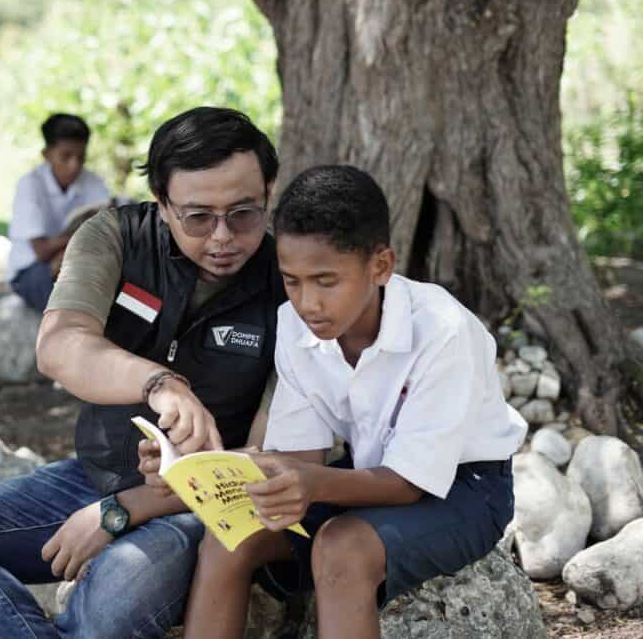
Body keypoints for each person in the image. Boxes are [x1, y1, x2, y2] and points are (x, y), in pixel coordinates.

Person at [0, 107, 285, 638]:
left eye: (244, 213)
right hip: (93, 476)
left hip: (200, 511)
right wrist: (161, 384)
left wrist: (122, 512)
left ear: (270, 189)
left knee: (105, 612)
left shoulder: (289, 280)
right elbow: (60, 346)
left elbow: (268, 461)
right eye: (197, 216)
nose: (222, 237)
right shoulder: (115, 237)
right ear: (160, 200)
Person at [178, 165, 528, 639]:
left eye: (326, 281)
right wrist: (206, 465)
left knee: (341, 546)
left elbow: (407, 484)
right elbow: (301, 459)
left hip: (466, 487)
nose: (308, 303)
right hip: (365, 472)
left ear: (380, 266)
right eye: (293, 281)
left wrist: (308, 481)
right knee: (230, 536)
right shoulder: (295, 327)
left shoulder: (443, 329)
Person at [7, 113, 111, 312]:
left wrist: (64, 252)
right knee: (65, 305)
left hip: (74, 260)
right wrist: (71, 244)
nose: (75, 165)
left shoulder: (92, 182)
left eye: (81, 157)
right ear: (46, 154)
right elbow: (42, 250)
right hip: (32, 269)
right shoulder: (30, 185)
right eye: (65, 156)